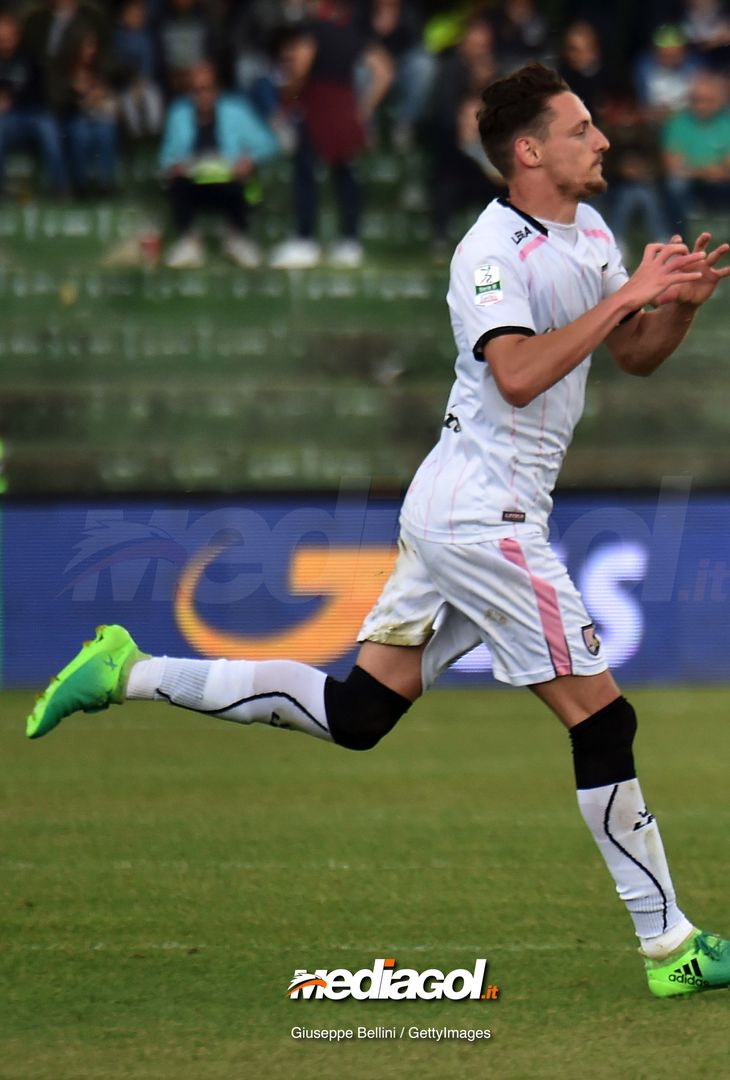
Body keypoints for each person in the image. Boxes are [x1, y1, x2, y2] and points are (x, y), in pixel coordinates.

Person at [26, 63, 730, 998]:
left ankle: (126, 670)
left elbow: (631, 356)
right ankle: (669, 944)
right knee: (605, 717)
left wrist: (672, 308)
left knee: (359, 715)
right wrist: (623, 298)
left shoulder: (591, 231)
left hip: (468, 504)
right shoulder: (490, 252)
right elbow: (517, 375)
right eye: (581, 128)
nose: (602, 140)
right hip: (486, 512)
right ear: (529, 152)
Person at [159, 60, 279, 269]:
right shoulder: (179, 114)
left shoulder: (236, 110)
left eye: (207, 89)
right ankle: (189, 241)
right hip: (194, 181)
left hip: (230, 180)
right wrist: (174, 165)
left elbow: (269, 144)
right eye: (196, 90)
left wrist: (249, 160)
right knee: (177, 182)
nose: (202, 95)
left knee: (241, 183)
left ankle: (238, 238)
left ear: (217, 89)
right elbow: (165, 157)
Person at [663, 68, 730, 232]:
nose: (701, 105)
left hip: (721, 182)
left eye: (707, 100)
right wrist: (707, 171)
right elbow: (673, 166)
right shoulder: (677, 123)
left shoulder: (727, 121)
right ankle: (679, 240)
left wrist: (696, 169)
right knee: (675, 185)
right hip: (691, 183)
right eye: (697, 100)